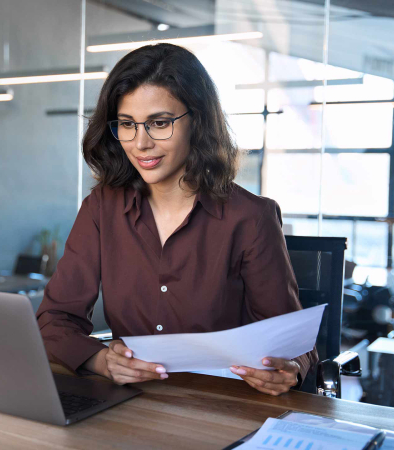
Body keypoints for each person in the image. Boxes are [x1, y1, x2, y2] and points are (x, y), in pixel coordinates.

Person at [36, 43, 316, 396]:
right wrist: (100, 361)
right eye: (127, 124)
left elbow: (295, 344)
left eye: (159, 123)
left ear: (196, 121)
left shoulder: (251, 218)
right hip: (131, 406)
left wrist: (288, 368)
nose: (140, 143)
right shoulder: (101, 209)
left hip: (224, 406)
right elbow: (55, 320)